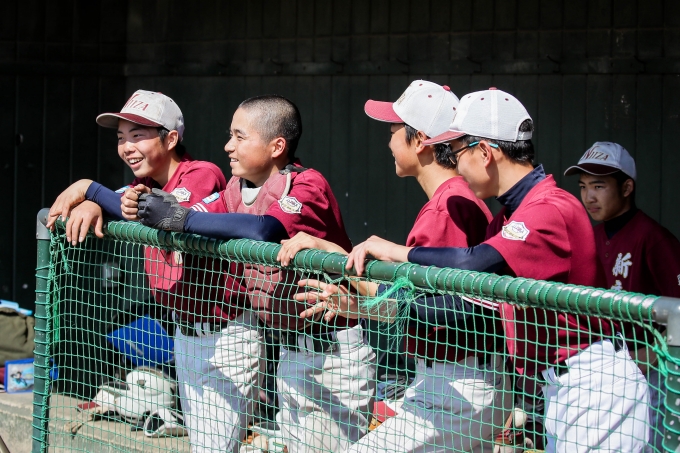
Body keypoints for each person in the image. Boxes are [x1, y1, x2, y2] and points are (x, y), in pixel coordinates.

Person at [298, 88, 650, 452]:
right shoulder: (508, 216)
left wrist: (395, 253)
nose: (453, 161)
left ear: (485, 152)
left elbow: (471, 265)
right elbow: (471, 302)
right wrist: (367, 303)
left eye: (457, 150)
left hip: (593, 382)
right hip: (560, 385)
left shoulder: (549, 206)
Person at [127, 95, 376, 453]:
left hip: (333, 356)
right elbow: (195, 213)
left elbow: (264, 229)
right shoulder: (235, 188)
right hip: (290, 353)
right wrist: (104, 195)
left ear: (277, 146)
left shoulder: (307, 184)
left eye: (240, 137)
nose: (228, 146)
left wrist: (181, 218)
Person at [278, 80, 512, 452]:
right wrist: (337, 256)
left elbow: (427, 308)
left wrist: (356, 300)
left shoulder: (448, 207)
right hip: (459, 377)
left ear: (419, 140)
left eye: (393, 131)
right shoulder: (456, 198)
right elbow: (415, 300)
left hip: (458, 381)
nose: (388, 142)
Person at [45, 90, 233, 453]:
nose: (127, 147)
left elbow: (164, 215)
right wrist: (94, 203)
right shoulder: (144, 184)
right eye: (121, 138)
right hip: (186, 333)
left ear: (171, 138)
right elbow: (123, 199)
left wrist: (88, 188)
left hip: (226, 335)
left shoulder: (201, 173)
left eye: (138, 135)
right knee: (204, 445)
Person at [565, 141, 680, 453]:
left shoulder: (653, 238)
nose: (589, 196)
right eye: (583, 186)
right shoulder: (592, 237)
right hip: (607, 369)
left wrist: (651, 355)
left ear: (627, 188)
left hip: (654, 372)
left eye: (599, 186)